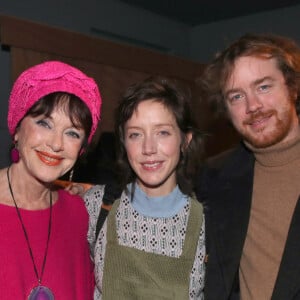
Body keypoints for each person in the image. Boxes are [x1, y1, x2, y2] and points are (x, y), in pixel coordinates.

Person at [196, 33, 300, 299]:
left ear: (293, 87)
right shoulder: (214, 176)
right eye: (236, 96)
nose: (253, 106)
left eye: (263, 87)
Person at [84, 76, 206, 299]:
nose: (148, 148)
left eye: (162, 132)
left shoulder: (209, 222)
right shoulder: (96, 206)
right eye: (135, 134)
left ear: (185, 141)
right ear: (123, 143)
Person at [0, 60, 101, 299]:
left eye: (72, 133)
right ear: (17, 128)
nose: (56, 144)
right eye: (44, 123)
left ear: (81, 150)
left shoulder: (78, 213)